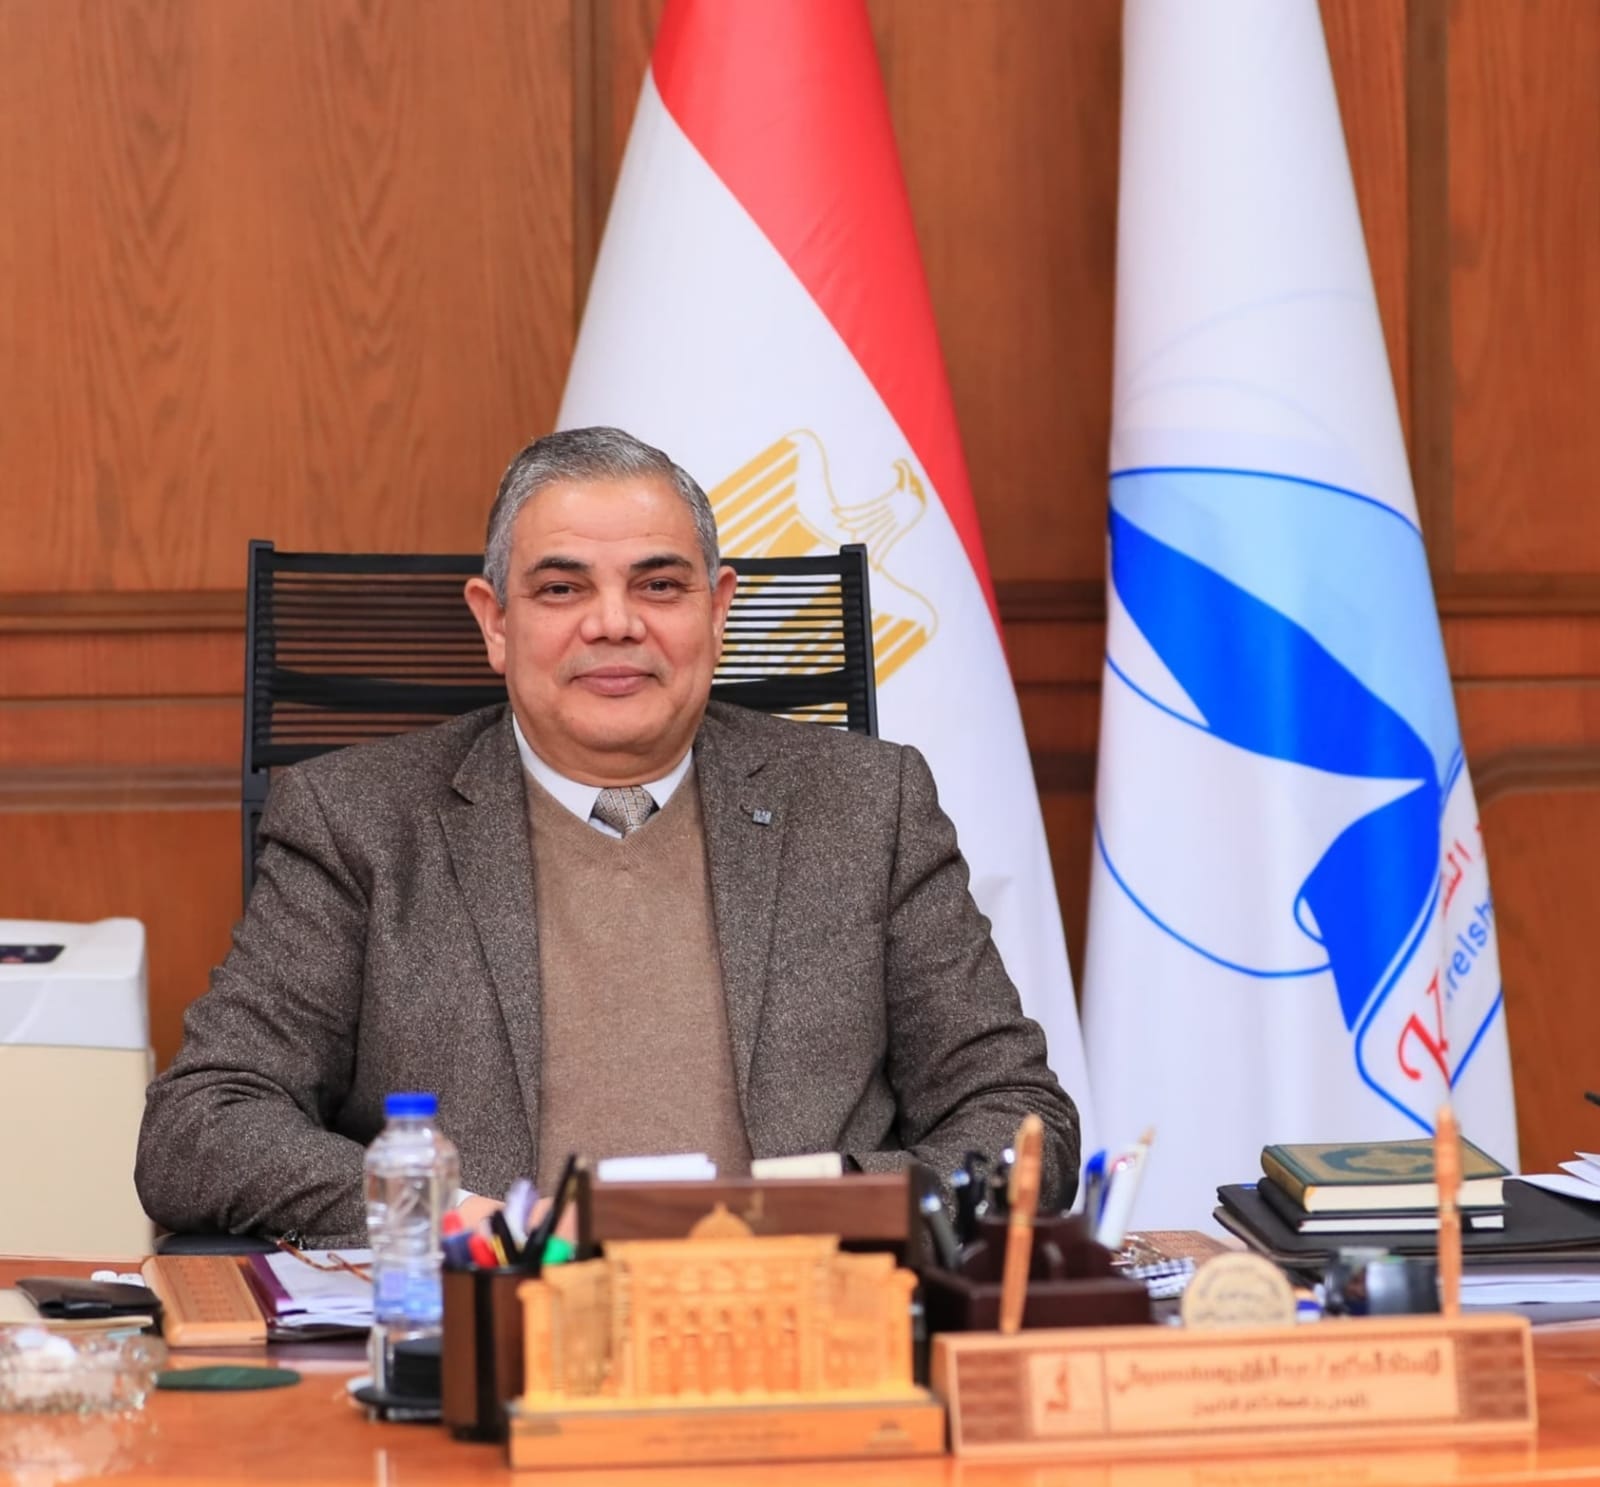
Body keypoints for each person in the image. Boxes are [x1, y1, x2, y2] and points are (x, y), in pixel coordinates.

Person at [135, 427, 1080, 1246]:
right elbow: (201, 1124)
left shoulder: (867, 806)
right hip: (494, 1323)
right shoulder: (358, 821)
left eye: (659, 584)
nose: (615, 622)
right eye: (561, 587)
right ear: (495, 623)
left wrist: (819, 1210)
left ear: (718, 611)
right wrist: (462, 1223)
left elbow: (1020, 1119)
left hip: (802, 1320)